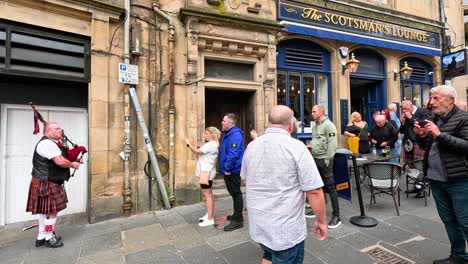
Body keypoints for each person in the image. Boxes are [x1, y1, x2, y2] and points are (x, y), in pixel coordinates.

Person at [241, 105, 327, 264]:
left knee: (268, 254)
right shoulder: (297, 147)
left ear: (268, 122)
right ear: (291, 125)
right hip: (285, 230)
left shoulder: (252, 146)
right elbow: (314, 191)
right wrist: (321, 221)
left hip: (259, 223)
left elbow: (246, 180)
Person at [414, 85, 468, 264]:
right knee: (449, 220)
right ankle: (458, 256)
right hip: (437, 180)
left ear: (450, 100)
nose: (432, 102)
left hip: (459, 181)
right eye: (431, 98)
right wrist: (422, 136)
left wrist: (439, 135)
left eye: (436, 98)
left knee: (465, 222)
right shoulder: (434, 119)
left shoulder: (464, 118)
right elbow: (428, 148)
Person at [26, 122, 82, 248]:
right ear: (48, 131)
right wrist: (73, 165)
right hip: (47, 181)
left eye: (60, 129)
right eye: (56, 129)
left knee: (44, 211)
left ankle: (41, 236)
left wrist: (74, 159)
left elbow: (61, 157)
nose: (60, 130)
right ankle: (49, 236)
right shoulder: (47, 143)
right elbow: (60, 161)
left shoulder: (52, 143)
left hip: (44, 179)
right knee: (52, 211)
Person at [308, 104, 341, 229]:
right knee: (318, 186)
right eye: (312, 111)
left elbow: (332, 145)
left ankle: (336, 216)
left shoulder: (329, 125)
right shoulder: (316, 126)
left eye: (314, 111)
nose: (312, 113)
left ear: (321, 112)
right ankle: (318, 210)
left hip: (325, 160)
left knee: (331, 186)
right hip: (315, 159)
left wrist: (328, 159)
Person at [185, 126, 221, 227]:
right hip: (207, 172)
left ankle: (210, 219)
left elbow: (197, 152)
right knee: (208, 194)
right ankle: (209, 215)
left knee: (208, 195)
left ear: (212, 135)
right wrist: (200, 147)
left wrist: (188, 144)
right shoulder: (211, 144)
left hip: (207, 173)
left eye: (206, 133)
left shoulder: (210, 144)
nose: (204, 135)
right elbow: (202, 153)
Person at [219, 113, 245, 231]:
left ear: (230, 123)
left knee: (236, 193)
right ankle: (236, 214)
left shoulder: (235, 135)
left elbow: (233, 153)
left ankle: (238, 220)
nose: (222, 122)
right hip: (228, 169)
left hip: (233, 170)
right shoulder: (228, 134)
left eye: (224, 121)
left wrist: (228, 168)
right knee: (234, 193)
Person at [400, 100, 430, 197]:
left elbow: (422, 126)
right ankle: (415, 187)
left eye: (405, 108)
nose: (404, 111)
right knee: (411, 166)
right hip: (408, 144)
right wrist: (403, 122)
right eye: (402, 109)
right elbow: (402, 131)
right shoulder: (405, 116)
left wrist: (410, 117)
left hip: (418, 142)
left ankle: (422, 188)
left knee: (419, 165)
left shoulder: (423, 112)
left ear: (411, 106)